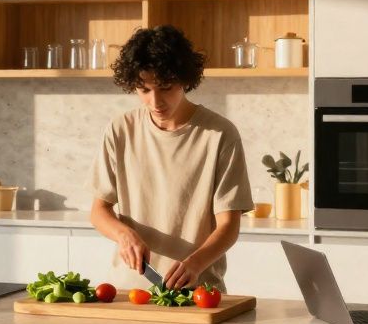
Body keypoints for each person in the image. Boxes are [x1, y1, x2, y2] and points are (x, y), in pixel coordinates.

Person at [89, 25, 256, 291]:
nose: (155, 102)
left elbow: (229, 226)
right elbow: (99, 211)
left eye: (165, 87)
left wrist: (195, 264)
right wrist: (124, 234)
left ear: (185, 80)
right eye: (143, 89)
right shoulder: (120, 130)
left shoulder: (219, 134)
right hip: (128, 292)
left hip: (196, 291)